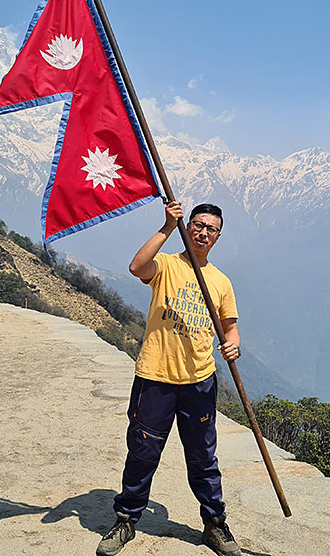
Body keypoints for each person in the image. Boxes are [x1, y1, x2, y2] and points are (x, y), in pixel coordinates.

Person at [97, 201, 242, 556]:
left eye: (210, 228)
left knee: (203, 457)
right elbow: (136, 267)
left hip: (199, 380)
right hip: (156, 376)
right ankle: (126, 519)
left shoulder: (221, 282)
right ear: (187, 226)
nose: (203, 232)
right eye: (197, 224)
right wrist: (165, 227)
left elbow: (230, 327)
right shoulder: (166, 266)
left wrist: (233, 345)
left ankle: (214, 525)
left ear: (218, 236)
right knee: (143, 452)